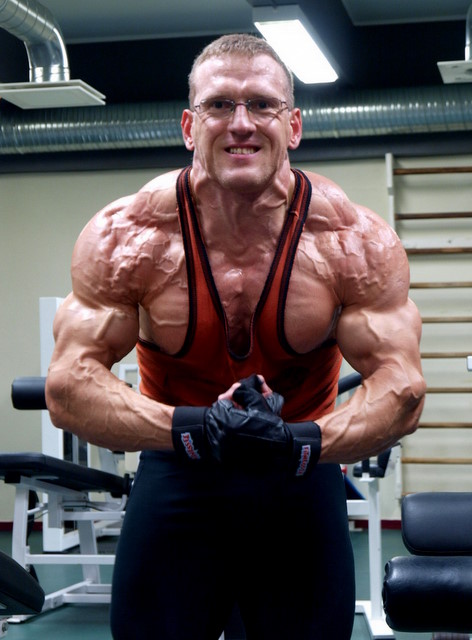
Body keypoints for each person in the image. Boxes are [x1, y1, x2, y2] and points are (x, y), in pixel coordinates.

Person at [45, 33, 426, 640]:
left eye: (263, 105)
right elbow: (68, 387)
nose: (241, 123)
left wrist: (298, 441)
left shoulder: (352, 241)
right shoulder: (128, 236)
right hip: (179, 466)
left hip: (300, 469)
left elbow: (402, 389)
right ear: (189, 126)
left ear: (293, 126)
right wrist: (193, 428)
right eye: (220, 104)